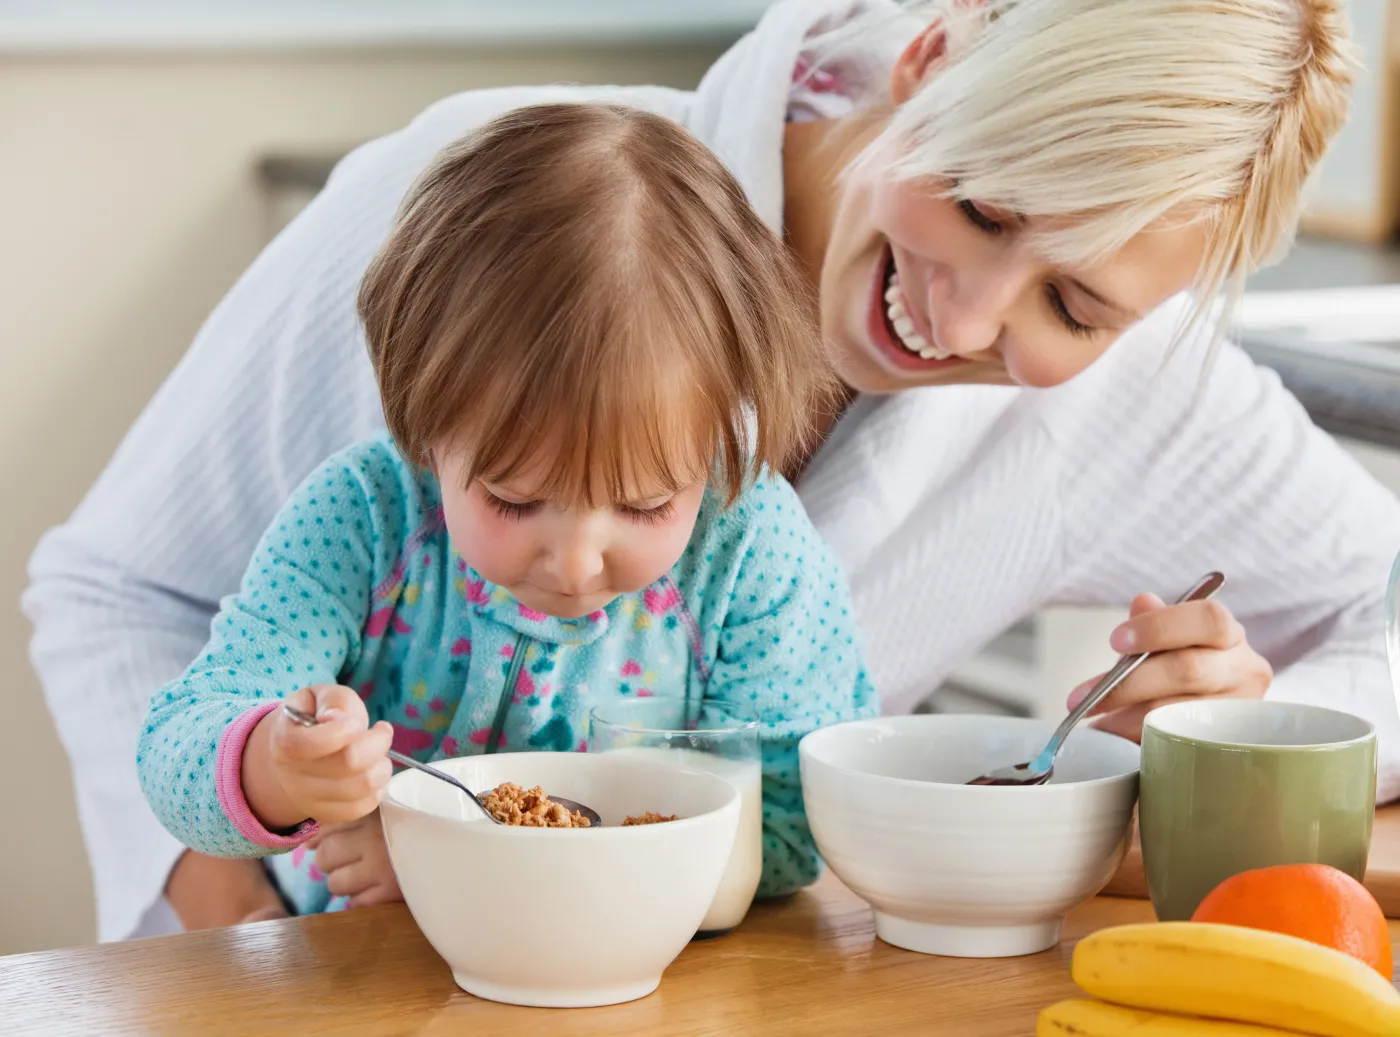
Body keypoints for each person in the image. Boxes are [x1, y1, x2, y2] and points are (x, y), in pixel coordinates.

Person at [26, 0, 1397, 941]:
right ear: (928, 56)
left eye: (1077, 307)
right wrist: (262, 916)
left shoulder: (1137, 399)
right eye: (982, 205)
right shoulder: (472, 205)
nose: (969, 318)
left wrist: (1261, 722)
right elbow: (115, 589)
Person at [134, 102, 875, 915]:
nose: (577, 560)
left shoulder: (746, 547)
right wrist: (276, 766)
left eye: (646, 503)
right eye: (515, 499)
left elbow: (795, 823)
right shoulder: (366, 521)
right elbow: (180, 742)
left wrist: (454, 849)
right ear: (425, 424)